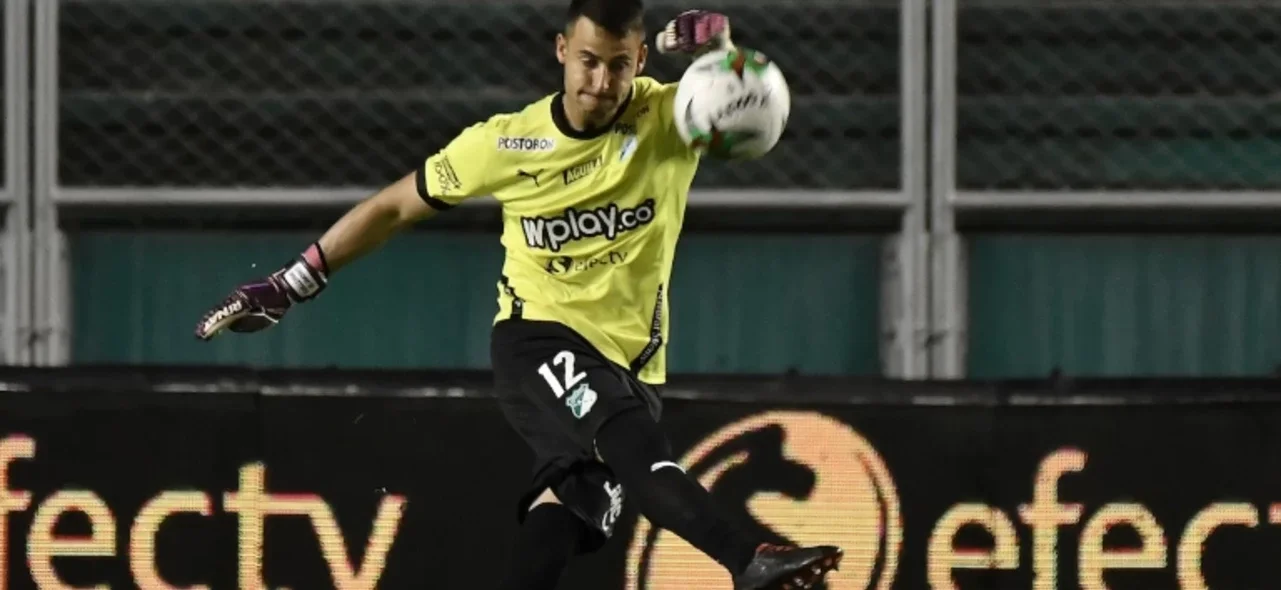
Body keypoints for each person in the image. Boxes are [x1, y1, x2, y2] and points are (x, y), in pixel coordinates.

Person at [194, 1, 843, 588]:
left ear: (639, 60)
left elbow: (738, 93)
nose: (600, 82)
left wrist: (721, 52)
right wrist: (294, 281)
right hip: (536, 340)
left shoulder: (672, 119)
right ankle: (747, 558)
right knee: (636, 450)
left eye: (618, 66)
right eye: (587, 61)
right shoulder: (505, 143)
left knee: (572, 506)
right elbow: (394, 206)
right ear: (561, 51)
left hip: (629, 363)